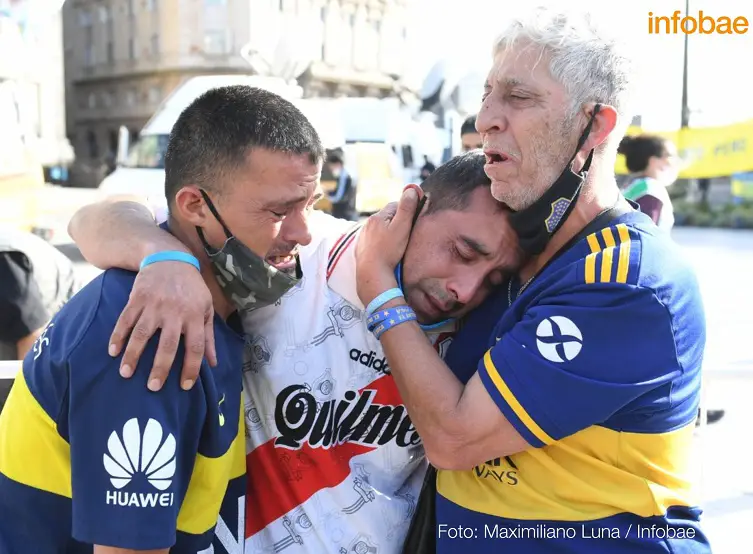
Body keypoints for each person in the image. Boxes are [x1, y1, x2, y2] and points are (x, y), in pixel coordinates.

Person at [352, 8, 709, 553]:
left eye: (517, 97)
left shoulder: (628, 281)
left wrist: (381, 289)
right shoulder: (511, 249)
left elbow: (453, 439)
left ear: (595, 126)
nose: (485, 119)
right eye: (487, 94)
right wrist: (194, 268)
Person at [67, 151, 525, 553]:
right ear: (412, 206)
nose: (466, 291)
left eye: (493, 279)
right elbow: (94, 218)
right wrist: (165, 256)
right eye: (463, 252)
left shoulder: (487, 331)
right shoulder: (294, 251)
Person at [0, 84, 325, 553]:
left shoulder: (219, 292)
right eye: (279, 211)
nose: (304, 233)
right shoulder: (153, 331)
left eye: (311, 203)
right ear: (194, 206)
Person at [0, 227, 80, 412]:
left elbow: (33, 345)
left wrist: (22, 414)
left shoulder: (5, 266)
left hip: (56, 311)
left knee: (17, 384)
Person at [618, 133, 680, 230]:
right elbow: (646, 233)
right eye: (670, 155)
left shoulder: (634, 186)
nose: (675, 161)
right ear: (653, 160)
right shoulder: (652, 190)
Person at [326, 149, 357, 220]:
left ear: (338, 164)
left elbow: (338, 196)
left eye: (332, 167)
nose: (332, 170)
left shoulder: (344, 176)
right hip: (347, 213)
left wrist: (327, 194)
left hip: (344, 214)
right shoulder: (347, 175)